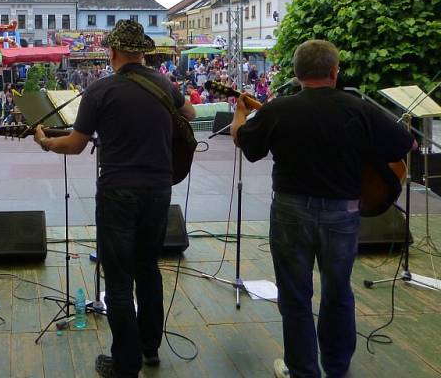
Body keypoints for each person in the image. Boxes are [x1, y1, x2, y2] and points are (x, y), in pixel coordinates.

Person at [230, 40, 414, 378]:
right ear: (334, 71)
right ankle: (336, 368)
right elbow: (407, 143)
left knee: (295, 296)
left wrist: (240, 113)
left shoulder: (279, 109)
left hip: (290, 212)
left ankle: (302, 372)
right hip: (343, 214)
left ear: (298, 74)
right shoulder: (358, 108)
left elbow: (246, 143)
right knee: (338, 291)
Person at [32, 20, 196, 378]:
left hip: (118, 191)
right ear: (143, 51)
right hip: (158, 190)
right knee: (148, 268)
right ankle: (150, 348)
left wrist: (46, 142)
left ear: (113, 51)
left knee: (119, 280)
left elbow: (75, 144)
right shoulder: (164, 84)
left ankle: (125, 363)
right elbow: (191, 115)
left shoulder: (101, 90)